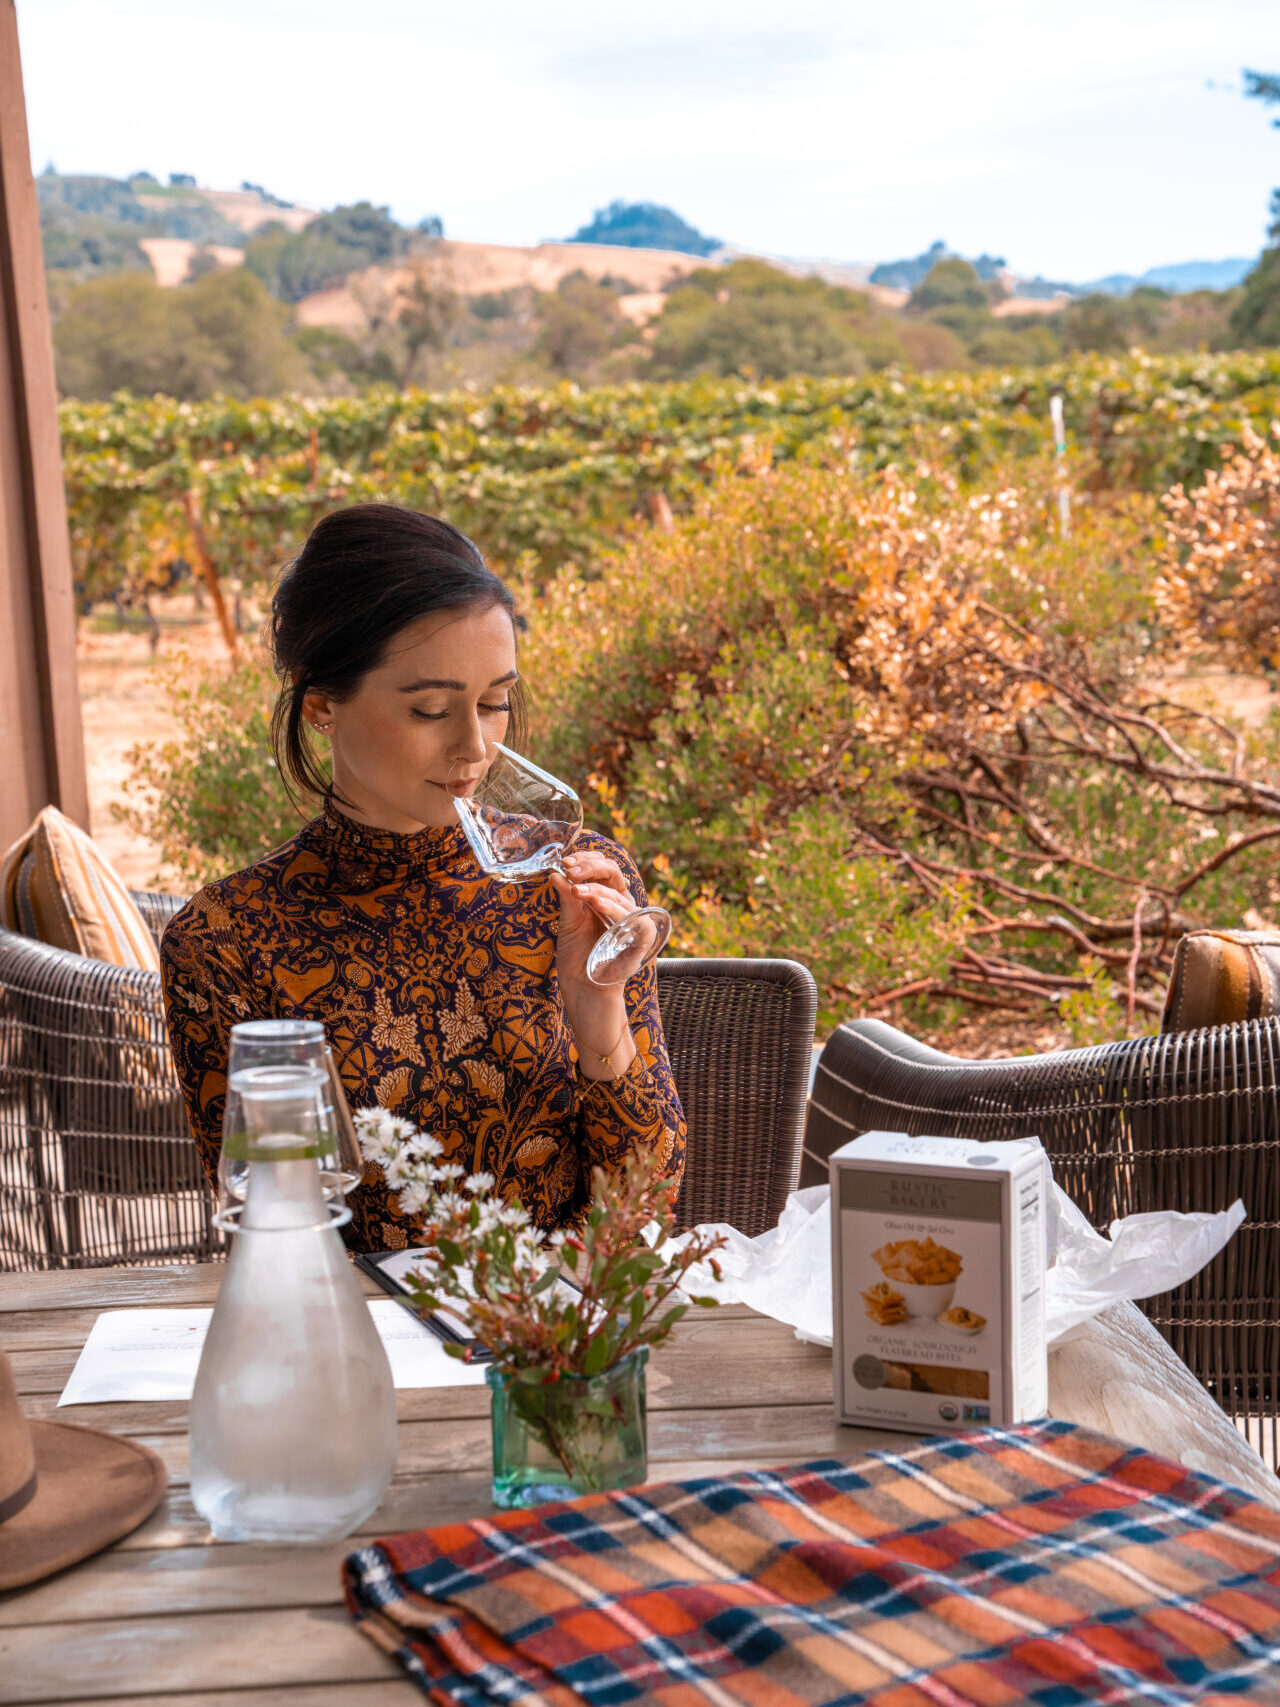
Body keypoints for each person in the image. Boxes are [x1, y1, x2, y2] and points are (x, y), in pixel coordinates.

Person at [160, 504, 685, 1246]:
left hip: (558, 1341)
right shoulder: (228, 941)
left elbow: (647, 1205)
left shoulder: (570, 885)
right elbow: (275, 1234)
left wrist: (595, 1007)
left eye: (495, 702)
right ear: (321, 706)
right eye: (432, 709)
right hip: (365, 1346)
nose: (475, 744)